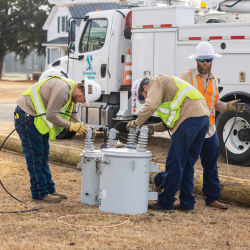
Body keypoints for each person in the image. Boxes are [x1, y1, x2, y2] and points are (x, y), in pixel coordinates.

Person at [127, 74, 210, 213]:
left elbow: (150, 106)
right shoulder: (166, 88)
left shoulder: (156, 82)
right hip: (202, 118)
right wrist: (152, 128)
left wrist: (135, 123)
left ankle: (165, 202)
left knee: (174, 162)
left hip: (189, 119)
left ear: (145, 87)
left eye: (142, 97)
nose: (145, 99)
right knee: (187, 163)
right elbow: (169, 122)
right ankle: (187, 203)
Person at [177, 41, 245, 209]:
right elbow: (174, 95)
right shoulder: (187, 77)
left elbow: (213, 103)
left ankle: (211, 198)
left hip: (210, 128)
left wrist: (227, 106)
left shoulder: (214, 80)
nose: (205, 63)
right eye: (202, 60)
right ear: (196, 60)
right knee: (186, 164)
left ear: (212, 60)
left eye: (208, 59)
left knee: (211, 164)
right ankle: (177, 193)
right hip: (192, 128)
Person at [14, 76, 101, 203]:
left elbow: (72, 114)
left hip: (34, 119)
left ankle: (49, 189)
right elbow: (51, 115)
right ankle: (39, 193)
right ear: (81, 91)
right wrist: (71, 126)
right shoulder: (63, 91)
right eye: (84, 99)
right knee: (35, 157)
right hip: (26, 118)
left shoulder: (72, 92)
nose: (83, 102)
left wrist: (82, 126)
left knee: (43, 156)